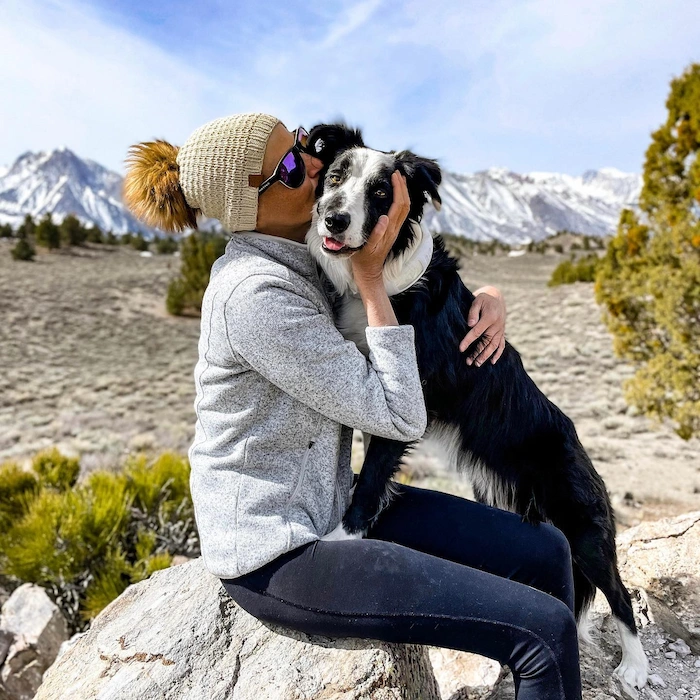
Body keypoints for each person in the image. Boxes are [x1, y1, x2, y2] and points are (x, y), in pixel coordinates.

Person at [123, 113, 581, 700]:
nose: (314, 162)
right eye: (291, 164)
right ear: (249, 206)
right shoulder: (257, 294)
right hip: (280, 550)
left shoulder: (308, 253)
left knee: (548, 551)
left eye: (301, 143)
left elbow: (415, 263)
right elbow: (398, 416)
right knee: (543, 633)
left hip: (330, 495)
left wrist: (485, 295)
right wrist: (368, 281)